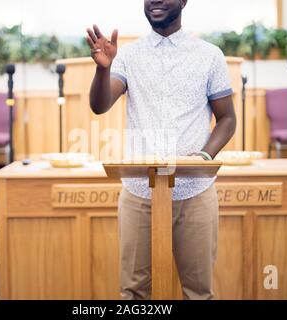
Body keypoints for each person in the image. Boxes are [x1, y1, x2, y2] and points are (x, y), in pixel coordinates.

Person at [86, 0, 236, 300]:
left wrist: (204, 157)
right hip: (140, 191)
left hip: (194, 190)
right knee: (132, 293)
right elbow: (100, 106)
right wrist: (104, 70)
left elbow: (227, 119)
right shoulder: (127, 55)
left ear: (183, 1)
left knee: (198, 293)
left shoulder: (209, 56)